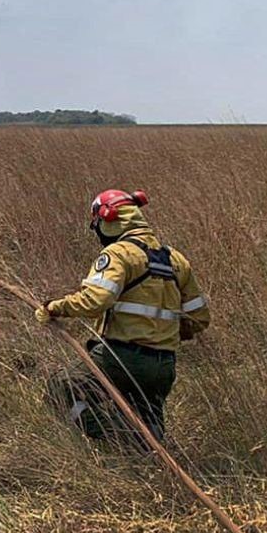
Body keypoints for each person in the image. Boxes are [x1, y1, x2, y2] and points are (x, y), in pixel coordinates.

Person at [37, 189, 210, 446]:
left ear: (108, 220)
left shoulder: (119, 254)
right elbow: (199, 317)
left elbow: (96, 301)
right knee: (147, 421)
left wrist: (54, 308)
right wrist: (163, 333)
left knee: (62, 388)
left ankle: (114, 439)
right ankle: (143, 455)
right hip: (163, 365)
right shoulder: (176, 260)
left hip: (121, 358)